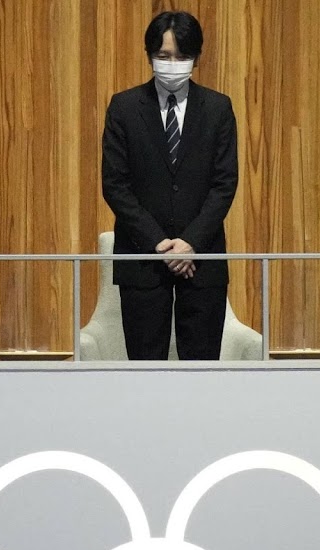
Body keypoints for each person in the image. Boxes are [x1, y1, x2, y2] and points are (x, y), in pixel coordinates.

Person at [102, 11, 238, 360]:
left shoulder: (218, 108)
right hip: (144, 260)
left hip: (202, 260)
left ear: (196, 58)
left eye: (181, 56)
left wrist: (190, 243)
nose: (172, 65)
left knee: (201, 370)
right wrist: (160, 244)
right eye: (164, 56)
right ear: (149, 56)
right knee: (146, 370)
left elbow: (224, 184)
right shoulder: (124, 107)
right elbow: (115, 185)